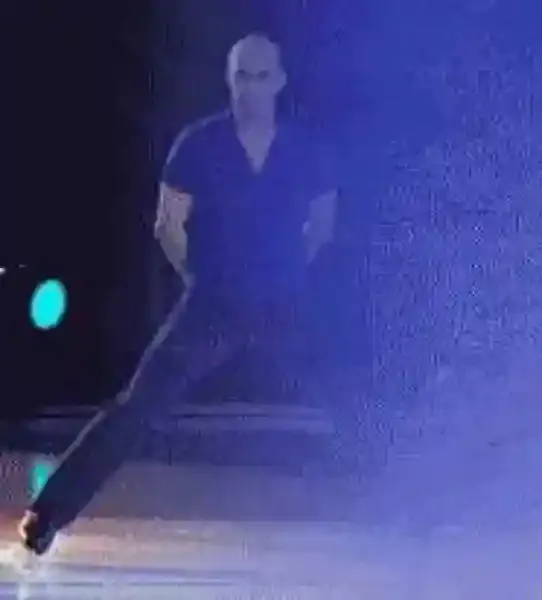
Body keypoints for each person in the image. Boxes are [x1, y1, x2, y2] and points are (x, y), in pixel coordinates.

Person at [16, 32, 338, 556]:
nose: (250, 88)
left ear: (278, 81)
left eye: (261, 76)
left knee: (348, 389)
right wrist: (199, 277)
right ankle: (47, 513)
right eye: (241, 76)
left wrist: (287, 274)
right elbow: (169, 224)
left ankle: (428, 499)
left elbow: (322, 224)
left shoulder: (304, 149)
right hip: (215, 298)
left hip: (282, 297)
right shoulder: (200, 144)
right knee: (137, 405)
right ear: (229, 80)